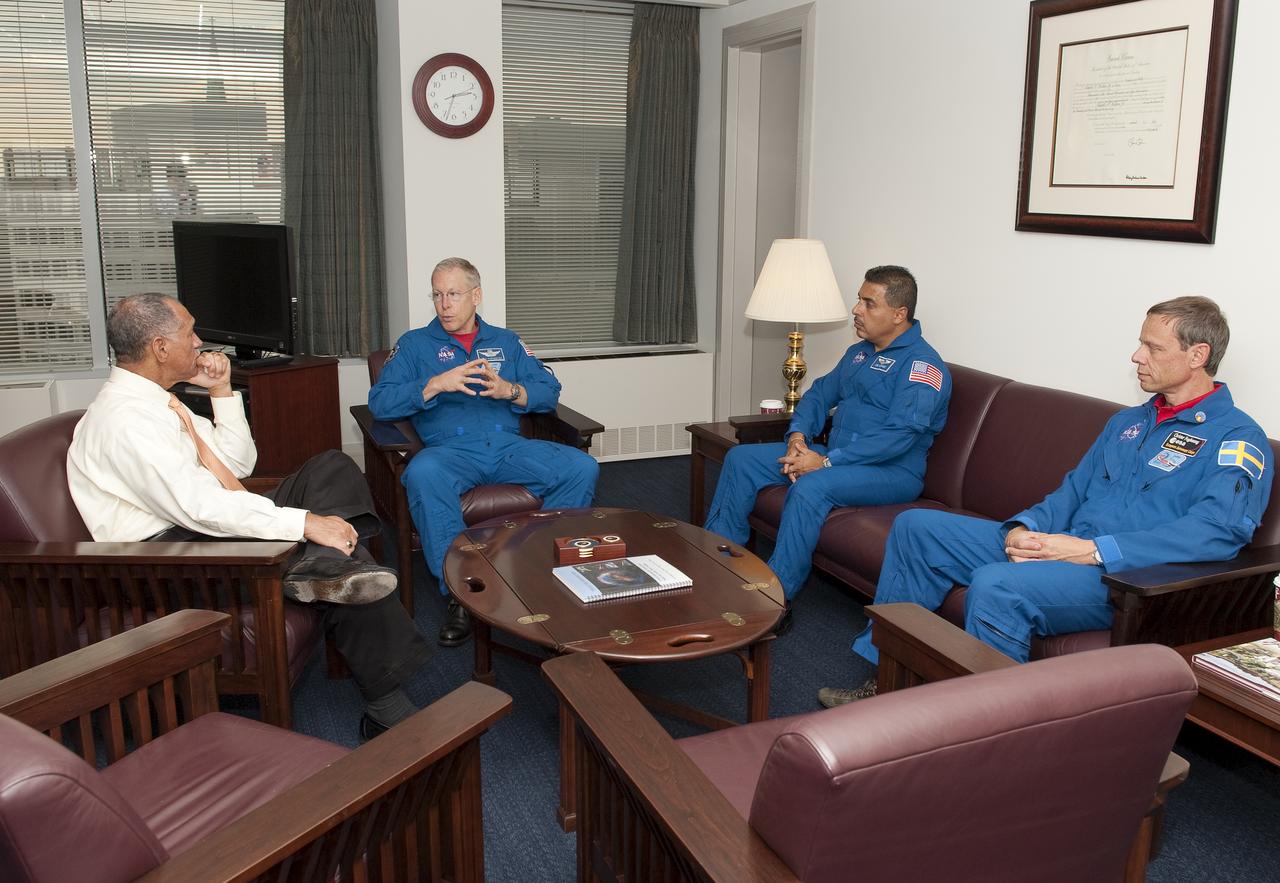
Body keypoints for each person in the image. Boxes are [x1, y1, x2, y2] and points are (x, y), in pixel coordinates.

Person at [819, 295, 1273, 707]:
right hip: (1064, 544)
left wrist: (1092, 552)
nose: (1137, 356)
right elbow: (1073, 489)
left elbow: (1219, 532)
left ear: (1198, 356)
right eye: (1141, 344)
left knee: (997, 586)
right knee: (919, 529)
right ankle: (887, 680)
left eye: (1153, 348)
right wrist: (1026, 526)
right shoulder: (1129, 422)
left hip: (1124, 580)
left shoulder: (1235, 438)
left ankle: (991, 726)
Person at [67, 293, 430, 740]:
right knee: (331, 544)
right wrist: (304, 524)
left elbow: (237, 466)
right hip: (169, 556)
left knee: (332, 465)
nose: (200, 341)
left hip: (201, 524)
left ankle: (326, 566)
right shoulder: (125, 422)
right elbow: (201, 507)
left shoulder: (160, 403)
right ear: (160, 348)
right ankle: (384, 700)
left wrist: (221, 392)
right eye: (189, 333)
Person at [704, 265, 951, 629]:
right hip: (832, 457)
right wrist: (798, 439)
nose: (857, 310)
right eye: (859, 300)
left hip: (891, 472)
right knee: (742, 458)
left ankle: (776, 598)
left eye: (869, 303)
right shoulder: (859, 354)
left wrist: (826, 462)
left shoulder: (922, 367)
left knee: (811, 485)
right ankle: (719, 564)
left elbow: (898, 437)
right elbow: (819, 394)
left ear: (899, 314)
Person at [368, 257, 599, 646]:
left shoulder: (506, 342)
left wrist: (511, 390)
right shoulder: (413, 345)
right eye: (438, 295)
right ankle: (461, 594)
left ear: (475, 296)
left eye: (453, 294)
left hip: (507, 446)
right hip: (450, 451)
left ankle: (537, 568)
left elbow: (549, 389)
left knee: (581, 467)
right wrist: (436, 384)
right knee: (424, 474)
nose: (444, 304)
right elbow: (381, 403)